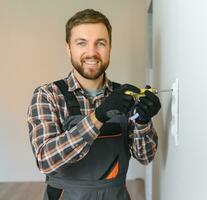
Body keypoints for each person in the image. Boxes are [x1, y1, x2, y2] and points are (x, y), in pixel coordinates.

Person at [27, 9, 161, 200]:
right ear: (68, 48)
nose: (92, 52)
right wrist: (98, 117)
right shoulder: (47, 96)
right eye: (81, 43)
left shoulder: (126, 96)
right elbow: (46, 160)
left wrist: (143, 121)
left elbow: (146, 157)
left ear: (110, 47)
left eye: (100, 43)